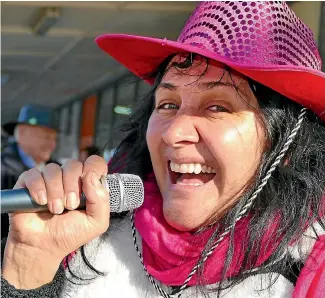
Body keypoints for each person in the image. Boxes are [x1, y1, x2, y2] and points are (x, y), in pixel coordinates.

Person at [1, 2, 325, 297]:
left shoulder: (309, 271)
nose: (174, 132)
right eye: (168, 104)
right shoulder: (86, 246)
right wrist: (30, 262)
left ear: (288, 143)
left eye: (217, 107)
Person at [1, 104, 59, 238]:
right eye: (46, 136)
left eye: (54, 138)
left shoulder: (58, 169)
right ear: (21, 134)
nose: (52, 144)